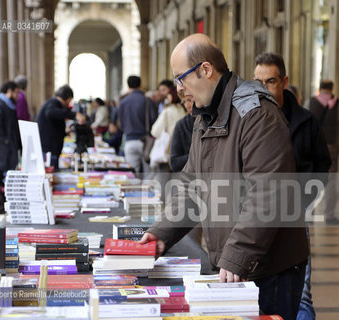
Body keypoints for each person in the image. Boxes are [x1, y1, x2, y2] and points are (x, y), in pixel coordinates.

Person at [140, 34, 309, 320]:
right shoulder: (205, 117)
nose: (179, 88)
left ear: (205, 70)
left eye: (181, 78)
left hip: (269, 269)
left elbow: (269, 194)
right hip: (237, 266)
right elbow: (191, 186)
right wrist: (161, 233)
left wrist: (237, 256)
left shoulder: (256, 113)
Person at [254, 52, 331, 320]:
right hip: (258, 220)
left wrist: (304, 200)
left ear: (284, 81)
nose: (263, 89)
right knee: (259, 294)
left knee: (301, 297)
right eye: (257, 82)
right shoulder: (247, 121)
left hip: (295, 219)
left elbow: (322, 165)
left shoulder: (306, 121)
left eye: (270, 81)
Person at [309, 80, 339, 225]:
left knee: (313, 177)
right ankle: (330, 215)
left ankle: (310, 213)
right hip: (332, 146)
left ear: (320, 88)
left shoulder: (313, 102)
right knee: (331, 180)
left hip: (315, 144)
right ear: (332, 89)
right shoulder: (336, 103)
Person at [36, 85, 85, 169]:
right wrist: (75, 114)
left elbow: (52, 125)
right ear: (69, 99)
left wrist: (64, 131)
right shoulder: (53, 103)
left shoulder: (53, 103)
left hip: (49, 149)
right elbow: (51, 112)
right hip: (49, 151)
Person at [117, 76, 157, 173]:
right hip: (147, 142)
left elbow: (121, 125)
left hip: (129, 141)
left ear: (128, 85)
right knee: (149, 175)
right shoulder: (148, 101)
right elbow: (154, 121)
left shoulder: (123, 102)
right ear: (140, 85)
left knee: (133, 174)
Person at [0, 81, 22, 180]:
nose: (17, 96)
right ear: (9, 91)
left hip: (11, 151)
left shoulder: (10, 107)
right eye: (16, 93)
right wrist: (7, 142)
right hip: (3, 154)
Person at [150, 86, 186, 170]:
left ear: (173, 96)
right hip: (181, 154)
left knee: (163, 181)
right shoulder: (186, 111)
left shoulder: (167, 111)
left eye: (168, 95)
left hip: (167, 152)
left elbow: (155, 131)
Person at [170, 95, 196, 172]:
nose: (187, 106)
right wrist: (198, 155)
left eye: (189, 100)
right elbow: (174, 163)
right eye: (184, 102)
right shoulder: (182, 125)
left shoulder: (213, 121)